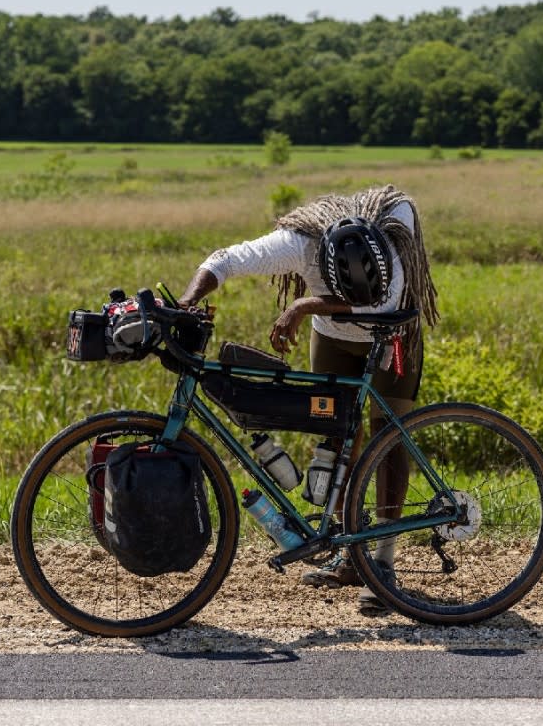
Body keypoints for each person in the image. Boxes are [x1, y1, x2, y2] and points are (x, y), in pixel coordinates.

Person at [177, 183, 439, 613]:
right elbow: (225, 260)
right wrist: (190, 299)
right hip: (334, 339)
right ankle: (353, 554)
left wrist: (303, 306)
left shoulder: (396, 231)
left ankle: (384, 563)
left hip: (392, 332)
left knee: (388, 437)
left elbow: (385, 304)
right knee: (335, 441)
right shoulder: (301, 243)